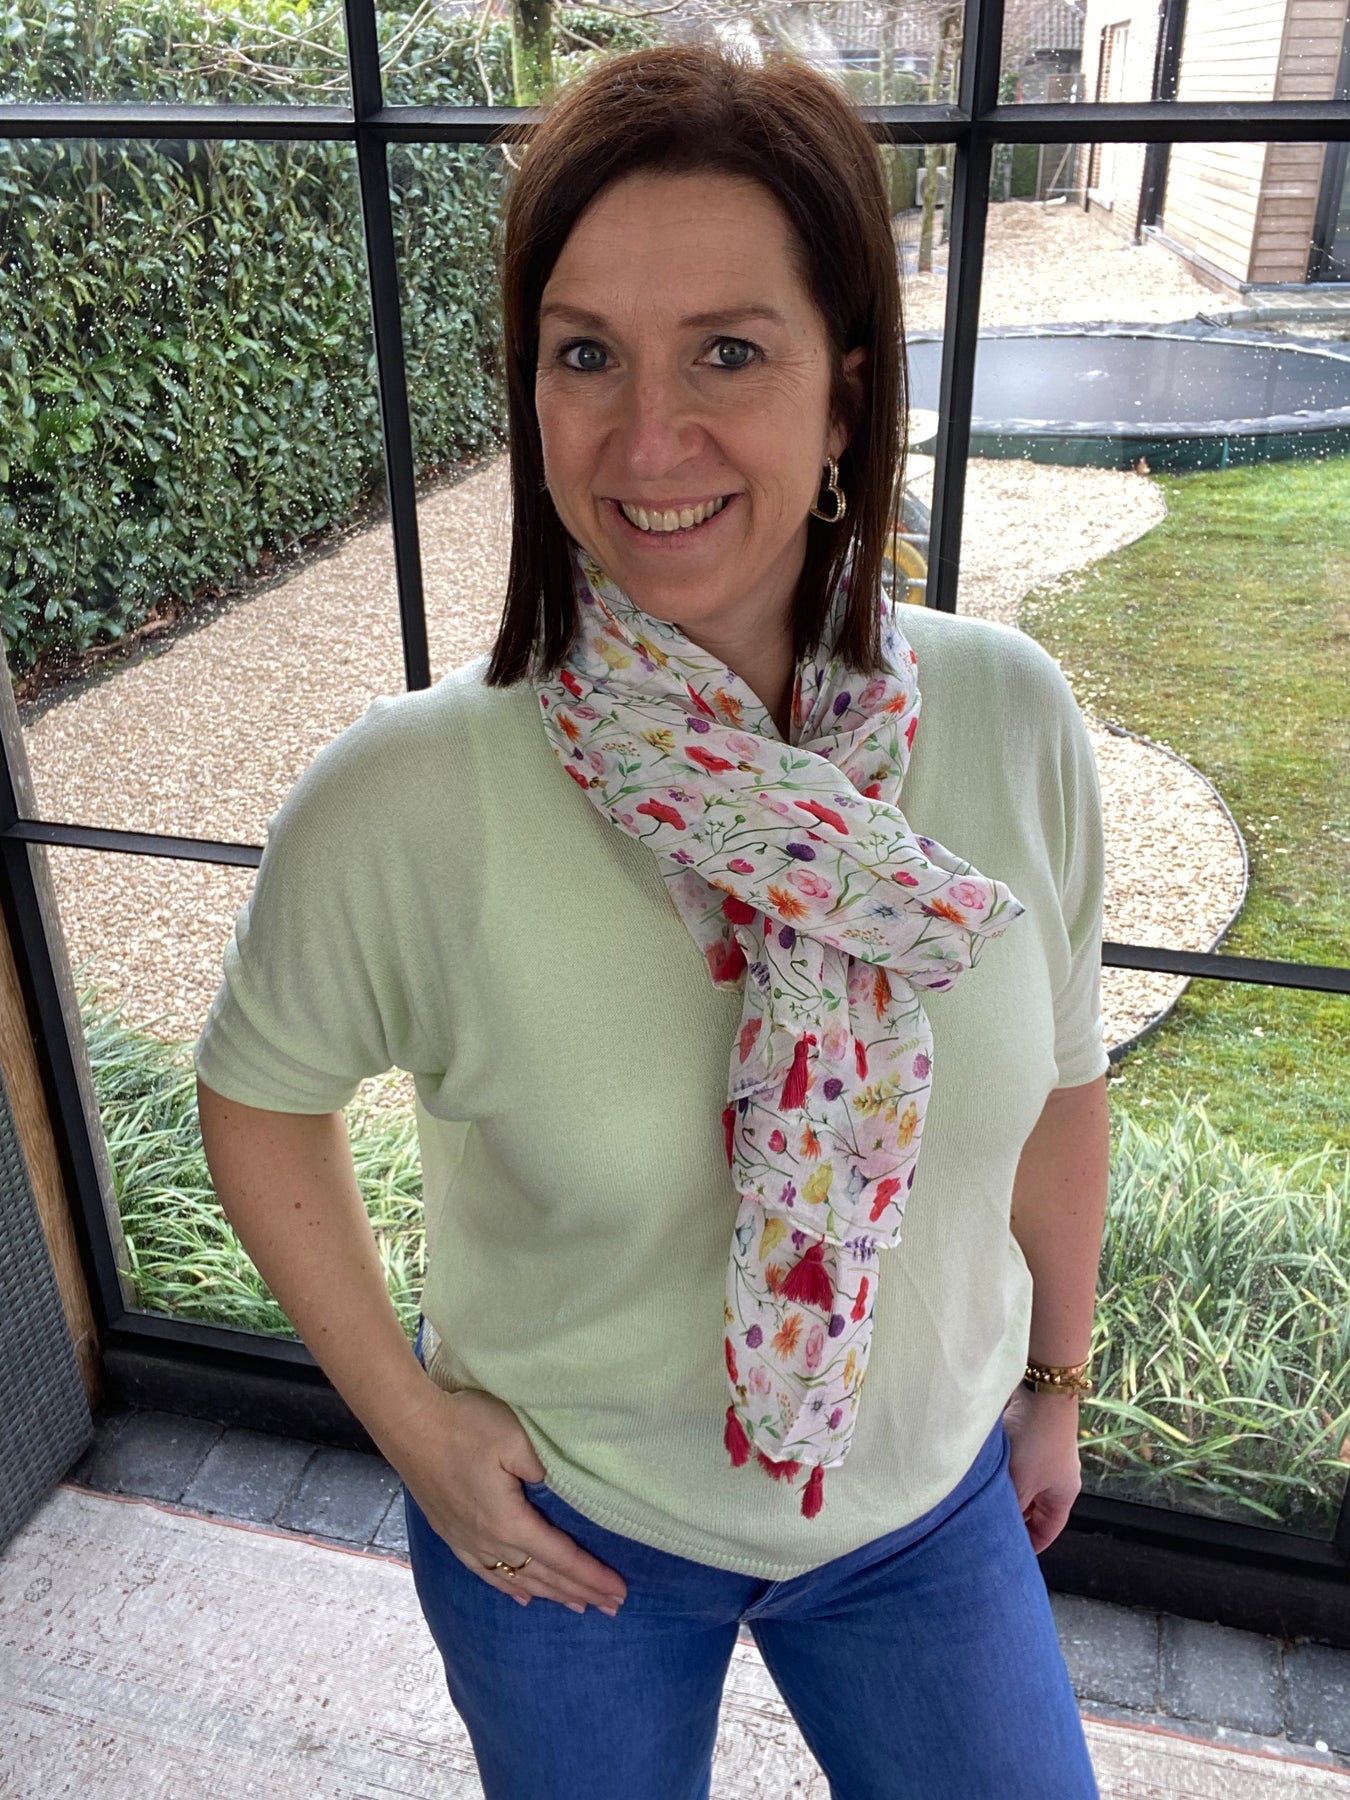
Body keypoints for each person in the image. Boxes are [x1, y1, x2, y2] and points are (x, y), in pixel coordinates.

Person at [194, 42, 1110, 1800]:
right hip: (573, 1528)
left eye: (729, 353)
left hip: (924, 1508)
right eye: (585, 354)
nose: (646, 437)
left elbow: (1062, 1087)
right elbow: (257, 1096)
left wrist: (1054, 1379)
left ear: (844, 397)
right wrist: (408, 1422)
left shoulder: (1009, 718)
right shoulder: (409, 796)